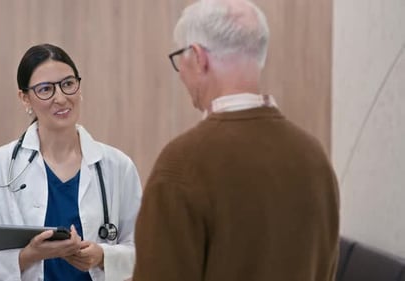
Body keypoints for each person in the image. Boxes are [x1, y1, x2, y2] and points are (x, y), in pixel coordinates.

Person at [132, 0, 339, 281]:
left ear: (198, 57)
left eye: (179, 57)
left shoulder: (183, 163)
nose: (180, 70)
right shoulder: (315, 157)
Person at [0, 43, 142, 281]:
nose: (61, 98)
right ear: (25, 98)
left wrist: (102, 256)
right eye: (45, 89)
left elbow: (143, 250)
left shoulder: (117, 166)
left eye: (68, 84)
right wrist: (29, 255)